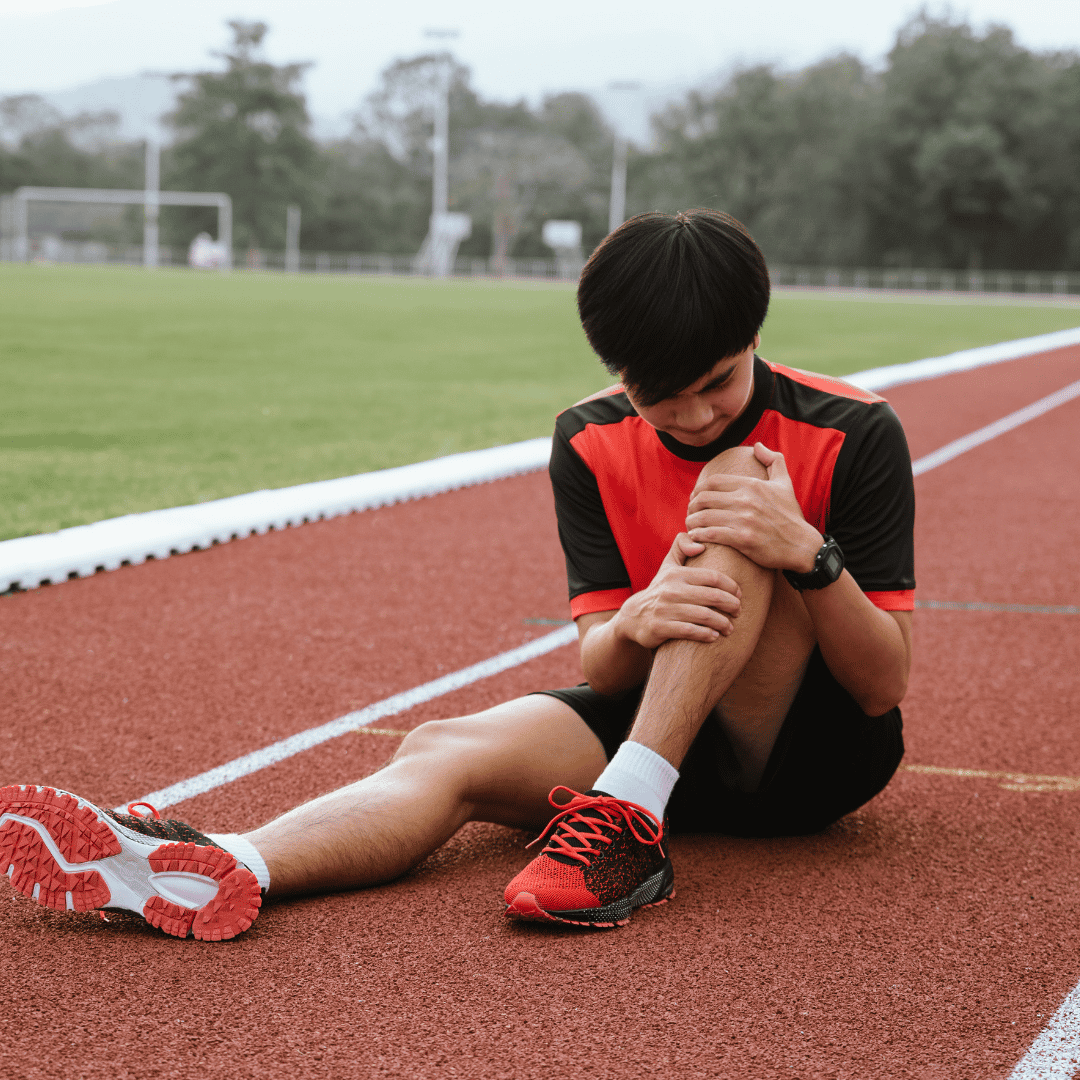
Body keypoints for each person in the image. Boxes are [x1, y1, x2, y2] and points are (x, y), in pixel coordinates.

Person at [0, 210, 914, 940]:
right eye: (656, 395)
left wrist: (809, 554)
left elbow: (882, 686)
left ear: (755, 333)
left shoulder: (855, 429)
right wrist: (637, 620)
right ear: (616, 374)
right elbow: (604, 667)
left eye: (715, 382)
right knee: (443, 747)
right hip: (666, 730)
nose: (693, 415)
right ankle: (228, 865)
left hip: (810, 756)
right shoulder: (588, 437)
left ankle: (628, 821)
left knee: (742, 489)